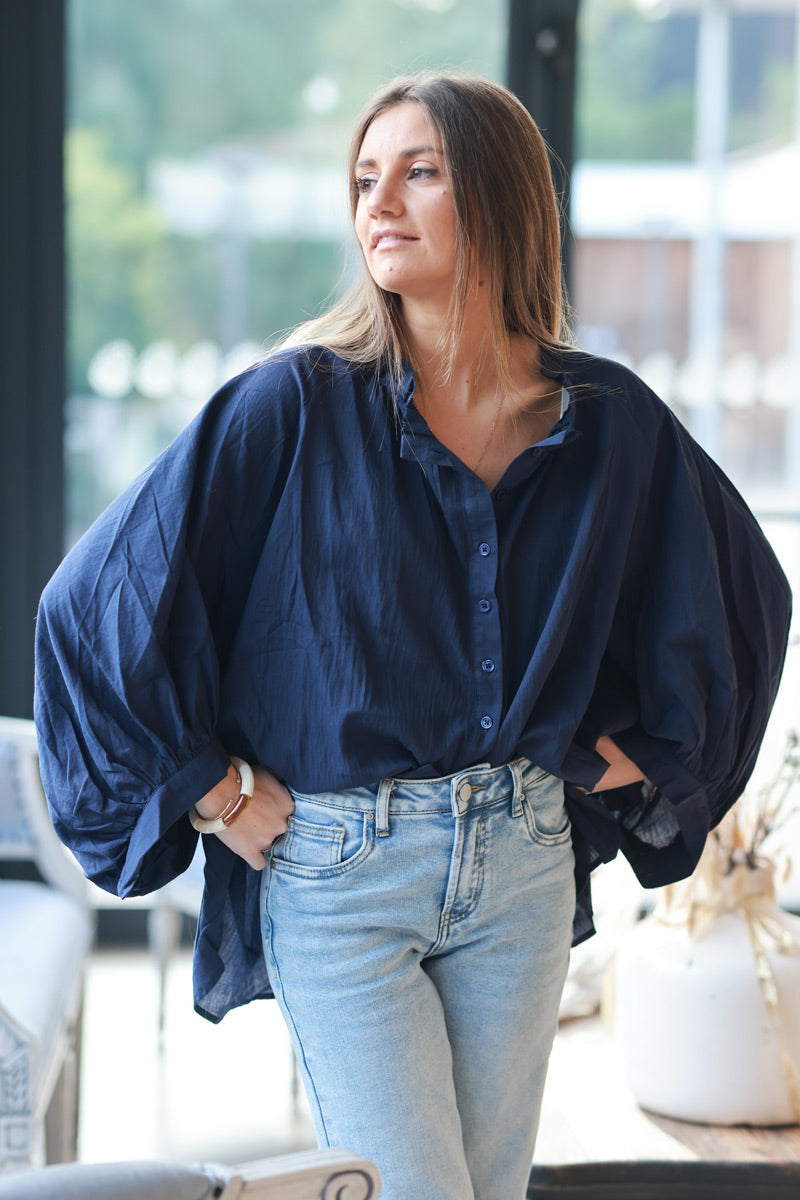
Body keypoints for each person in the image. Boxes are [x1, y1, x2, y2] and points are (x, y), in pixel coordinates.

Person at [35, 73, 791, 1200]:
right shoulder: (286, 407)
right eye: (363, 177)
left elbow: (737, 594)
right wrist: (213, 790)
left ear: (498, 198)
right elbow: (91, 608)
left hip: (521, 870)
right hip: (340, 875)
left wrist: (626, 761)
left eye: (419, 171)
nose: (377, 200)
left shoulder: (609, 423)